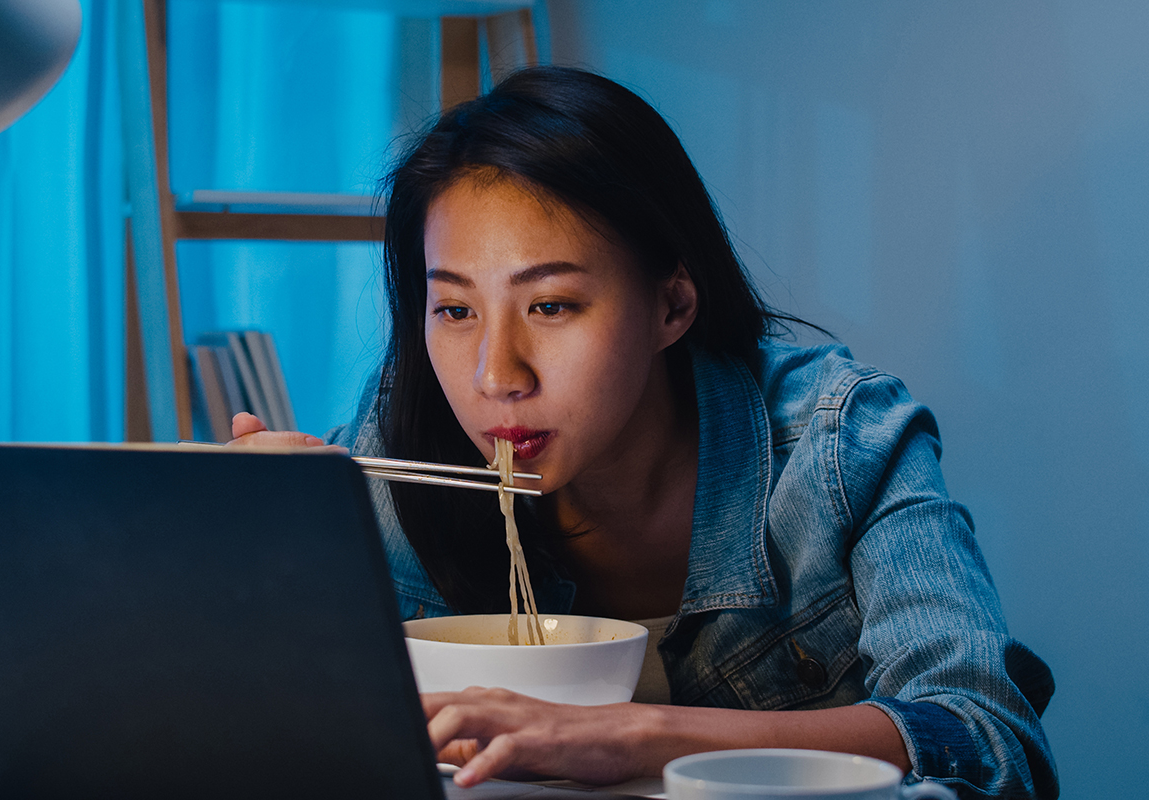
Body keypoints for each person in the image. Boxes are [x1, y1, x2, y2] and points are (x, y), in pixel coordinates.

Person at [230, 66, 1058, 799]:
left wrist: (634, 740)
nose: (495, 375)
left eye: (550, 305)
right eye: (453, 309)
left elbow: (991, 745)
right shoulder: (400, 454)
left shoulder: (837, 445)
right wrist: (256, 558)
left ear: (671, 304)